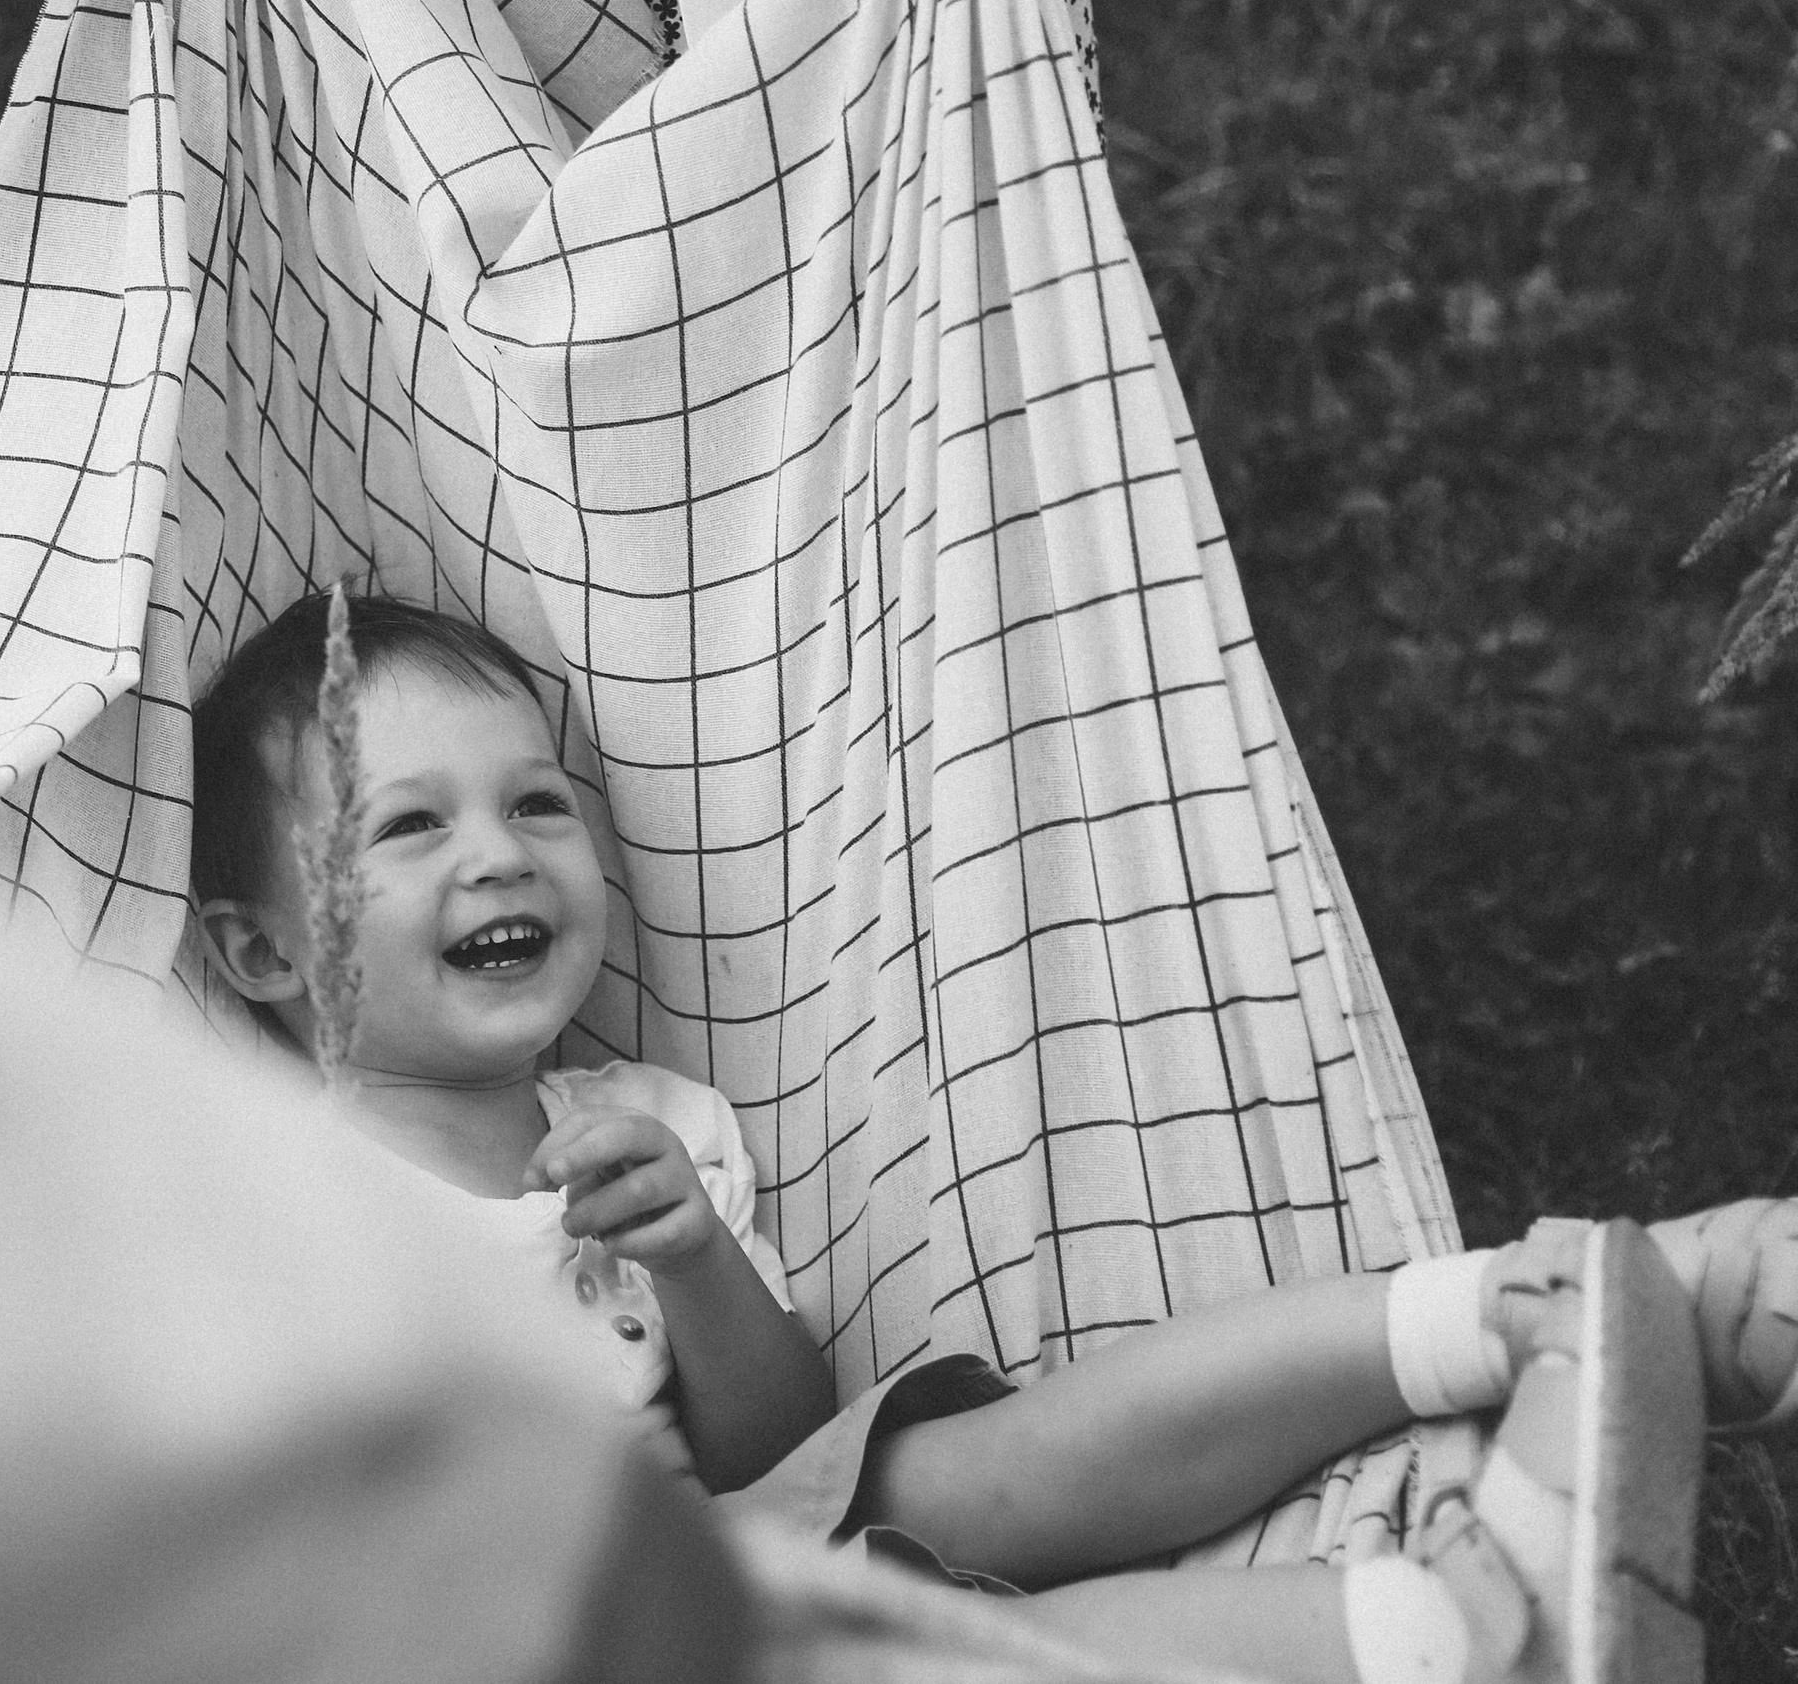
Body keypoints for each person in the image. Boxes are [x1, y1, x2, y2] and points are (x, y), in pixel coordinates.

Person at [189, 590, 1798, 1684]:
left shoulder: (648, 1124)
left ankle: (1553, 1303)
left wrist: (690, 1255)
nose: (503, 859)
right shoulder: (252, 1199)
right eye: (411, 826)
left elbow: (774, 1443)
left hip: (747, 1540)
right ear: (261, 954)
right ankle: (1456, 1637)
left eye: (539, 805)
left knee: (953, 1468)